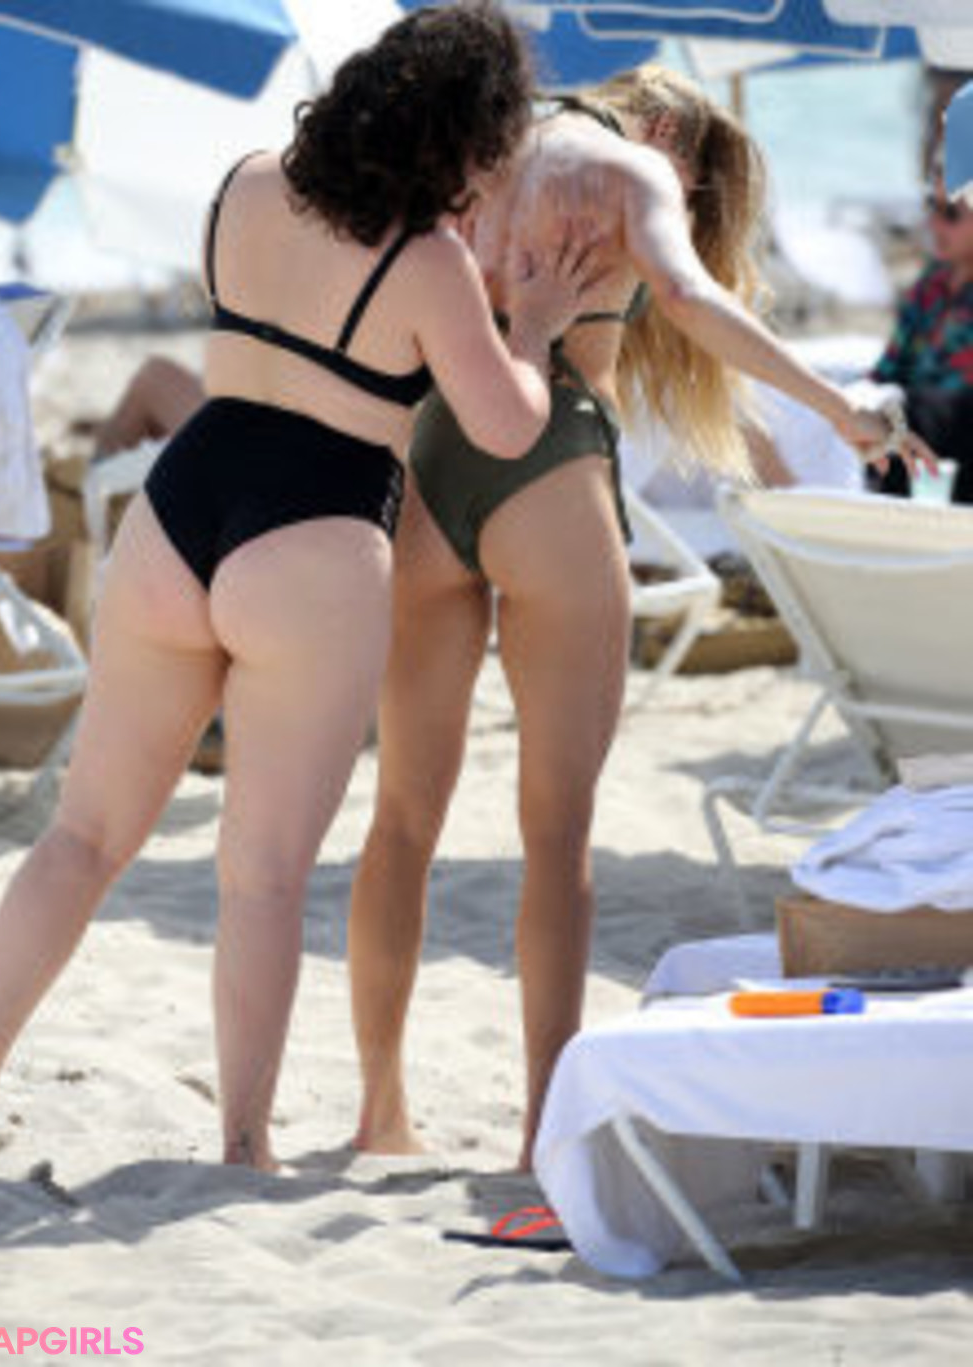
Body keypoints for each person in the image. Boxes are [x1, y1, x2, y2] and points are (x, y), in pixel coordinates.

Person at [0, 2, 602, 1173]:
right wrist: (535, 328)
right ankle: (244, 1141)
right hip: (318, 532)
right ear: (465, 139)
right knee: (263, 876)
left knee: (84, 832)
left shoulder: (244, 184)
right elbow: (503, 425)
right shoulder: (427, 262)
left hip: (182, 503)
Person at [346, 65, 935, 1171]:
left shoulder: (480, 147)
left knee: (401, 820)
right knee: (556, 833)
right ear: (665, 125)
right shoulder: (629, 166)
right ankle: (540, 1133)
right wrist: (840, 405)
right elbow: (688, 297)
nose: (686, 197)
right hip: (550, 469)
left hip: (431, 457)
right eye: (693, 178)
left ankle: (379, 1114)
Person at [870, 168, 973, 504]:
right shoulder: (932, 281)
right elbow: (888, 368)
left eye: (951, 213)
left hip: (956, 448)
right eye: (932, 206)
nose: (934, 223)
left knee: (915, 414)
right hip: (916, 435)